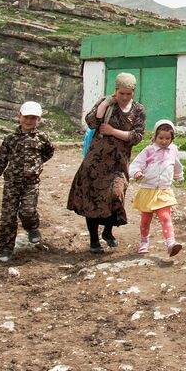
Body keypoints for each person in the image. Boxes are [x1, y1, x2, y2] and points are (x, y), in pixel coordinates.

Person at [67, 72, 145, 253]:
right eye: (121, 93)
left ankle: (108, 232)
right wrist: (105, 103)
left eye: (129, 93)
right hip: (95, 162)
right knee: (91, 200)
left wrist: (112, 131)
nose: (125, 97)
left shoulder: (138, 110)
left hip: (118, 163)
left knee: (116, 195)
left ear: (133, 91)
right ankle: (94, 240)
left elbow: (137, 136)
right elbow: (91, 122)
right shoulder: (106, 103)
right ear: (116, 90)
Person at [0, 100, 55, 263]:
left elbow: (49, 152)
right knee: (8, 216)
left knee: (28, 211)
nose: (29, 121)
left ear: (39, 120)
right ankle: (6, 249)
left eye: (33, 118)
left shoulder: (42, 138)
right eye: (26, 117)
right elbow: (0, 160)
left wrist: (36, 164)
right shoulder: (10, 139)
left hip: (31, 183)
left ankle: (32, 227)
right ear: (19, 117)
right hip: (12, 184)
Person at [129, 119, 185, 257]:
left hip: (164, 190)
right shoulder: (149, 150)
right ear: (154, 136)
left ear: (172, 138)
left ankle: (170, 243)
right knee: (145, 220)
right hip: (148, 189)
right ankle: (144, 241)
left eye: (167, 138)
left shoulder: (173, 150)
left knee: (165, 217)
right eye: (161, 138)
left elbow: (177, 165)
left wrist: (179, 176)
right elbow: (136, 164)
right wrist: (136, 172)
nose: (164, 141)